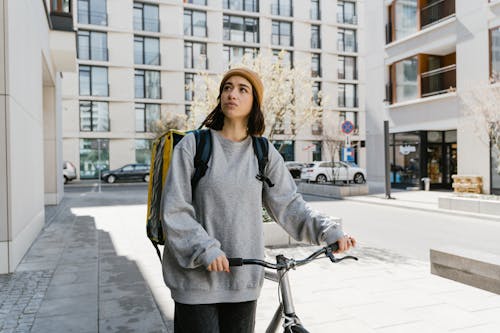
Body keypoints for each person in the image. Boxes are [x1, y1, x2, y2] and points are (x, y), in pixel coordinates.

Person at [161, 67, 356, 333]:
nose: (233, 94)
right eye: (227, 87)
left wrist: (328, 230)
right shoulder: (195, 146)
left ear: (254, 102)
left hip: (243, 282)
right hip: (195, 282)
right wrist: (206, 249)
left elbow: (290, 205)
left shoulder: (263, 152)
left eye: (243, 89)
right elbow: (175, 210)